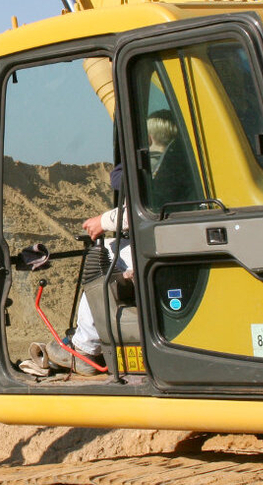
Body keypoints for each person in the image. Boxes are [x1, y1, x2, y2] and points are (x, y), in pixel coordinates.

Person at [45, 111, 179, 375]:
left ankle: (84, 348)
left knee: (101, 258)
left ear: (149, 136)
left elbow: (140, 211)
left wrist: (102, 222)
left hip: (162, 246)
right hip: (172, 241)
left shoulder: (156, 169)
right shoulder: (176, 164)